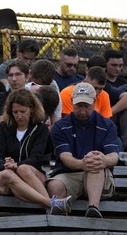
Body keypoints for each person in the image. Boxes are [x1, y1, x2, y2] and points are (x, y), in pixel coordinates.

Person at [0, 89, 71, 215]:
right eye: (15, 112)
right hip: (6, 175)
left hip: (31, 174)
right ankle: (51, 205)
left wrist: (16, 165)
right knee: (7, 174)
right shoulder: (3, 127)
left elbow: (36, 158)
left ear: (31, 109)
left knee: (23, 169)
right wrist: (5, 165)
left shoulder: (41, 128)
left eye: (23, 111)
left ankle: (49, 207)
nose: (19, 116)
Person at [47, 83, 120, 218]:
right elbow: (65, 156)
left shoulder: (107, 124)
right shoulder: (61, 126)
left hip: (99, 174)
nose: (82, 110)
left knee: (95, 160)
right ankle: (58, 217)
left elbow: (114, 155)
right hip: (70, 173)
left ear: (94, 102)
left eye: (86, 106)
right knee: (54, 185)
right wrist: (82, 163)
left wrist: (104, 160)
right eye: (78, 106)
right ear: (71, 102)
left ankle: (93, 207)